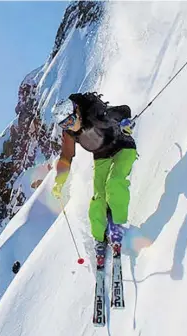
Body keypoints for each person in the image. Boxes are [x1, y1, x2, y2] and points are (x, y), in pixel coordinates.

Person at [51, 92, 137, 268]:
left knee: (114, 183)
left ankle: (117, 225)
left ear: (76, 112)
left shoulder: (94, 112)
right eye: (64, 124)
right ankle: (99, 238)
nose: (69, 125)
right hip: (101, 156)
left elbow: (122, 111)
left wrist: (124, 123)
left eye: (70, 120)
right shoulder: (69, 132)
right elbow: (66, 157)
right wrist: (59, 182)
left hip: (123, 147)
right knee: (99, 197)